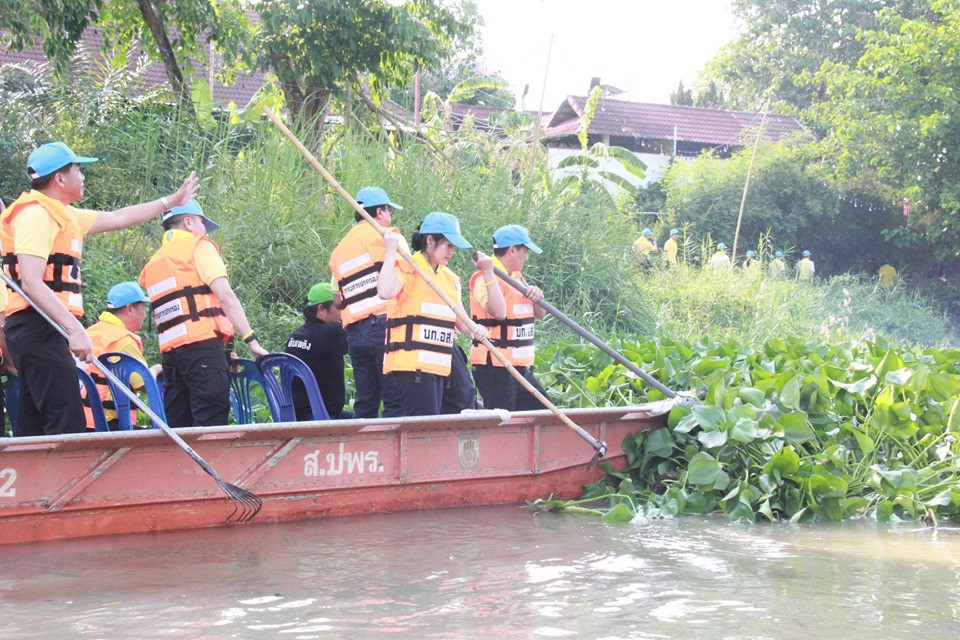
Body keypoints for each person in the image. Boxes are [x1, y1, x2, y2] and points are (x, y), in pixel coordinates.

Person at [0, 141, 198, 436]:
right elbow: (30, 281)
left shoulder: (64, 214)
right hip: (39, 325)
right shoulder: (36, 214)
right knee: (66, 423)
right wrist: (74, 330)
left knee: (37, 422)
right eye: (78, 170)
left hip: (45, 327)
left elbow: (119, 218)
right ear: (60, 178)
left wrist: (172, 200)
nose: (83, 177)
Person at [139, 199, 268, 428]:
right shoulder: (198, 247)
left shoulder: (155, 262)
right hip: (203, 351)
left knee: (181, 426)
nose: (204, 231)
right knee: (211, 423)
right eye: (201, 223)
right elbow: (225, 297)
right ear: (188, 222)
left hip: (172, 357)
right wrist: (251, 339)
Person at [377, 212, 488, 417]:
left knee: (455, 407)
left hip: (440, 366)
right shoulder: (408, 267)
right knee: (424, 428)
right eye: (448, 245)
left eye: (453, 247)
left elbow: (462, 322)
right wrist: (390, 252)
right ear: (430, 241)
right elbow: (384, 292)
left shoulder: (450, 278)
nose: (452, 252)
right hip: (413, 368)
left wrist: (477, 329)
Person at [328, 186, 404, 419]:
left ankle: (362, 454)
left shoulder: (340, 250)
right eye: (389, 210)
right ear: (380, 212)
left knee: (366, 402)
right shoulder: (389, 238)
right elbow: (405, 281)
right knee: (394, 399)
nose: (390, 216)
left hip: (355, 334)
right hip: (383, 326)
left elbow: (338, 299)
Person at [469, 224, 549, 411]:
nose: (527, 257)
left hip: (518, 367)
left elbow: (540, 314)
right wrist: (489, 272)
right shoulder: (483, 278)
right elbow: (500, 313)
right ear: (512, 250)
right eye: (525, 251)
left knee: (543, 411)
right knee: (502, 423)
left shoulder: (517, 277)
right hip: (495, 367)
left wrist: (537, 295)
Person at [83, 282, 160, 431]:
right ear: (130, 308)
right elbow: (146, 385)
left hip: (81, 420)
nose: (145, 314)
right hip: (109, 424)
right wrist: (156, 370)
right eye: (143, 308)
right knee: (164, 443)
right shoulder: (122, 340)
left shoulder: (89, 333)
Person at [285, 282, 351, 420]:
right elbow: (363, 346)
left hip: (295, 416)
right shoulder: (333, 332)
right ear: (322, 309)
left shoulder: (296, 335)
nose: (342, 314)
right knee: (369, 420)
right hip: (322, 416)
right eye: (339, 308)